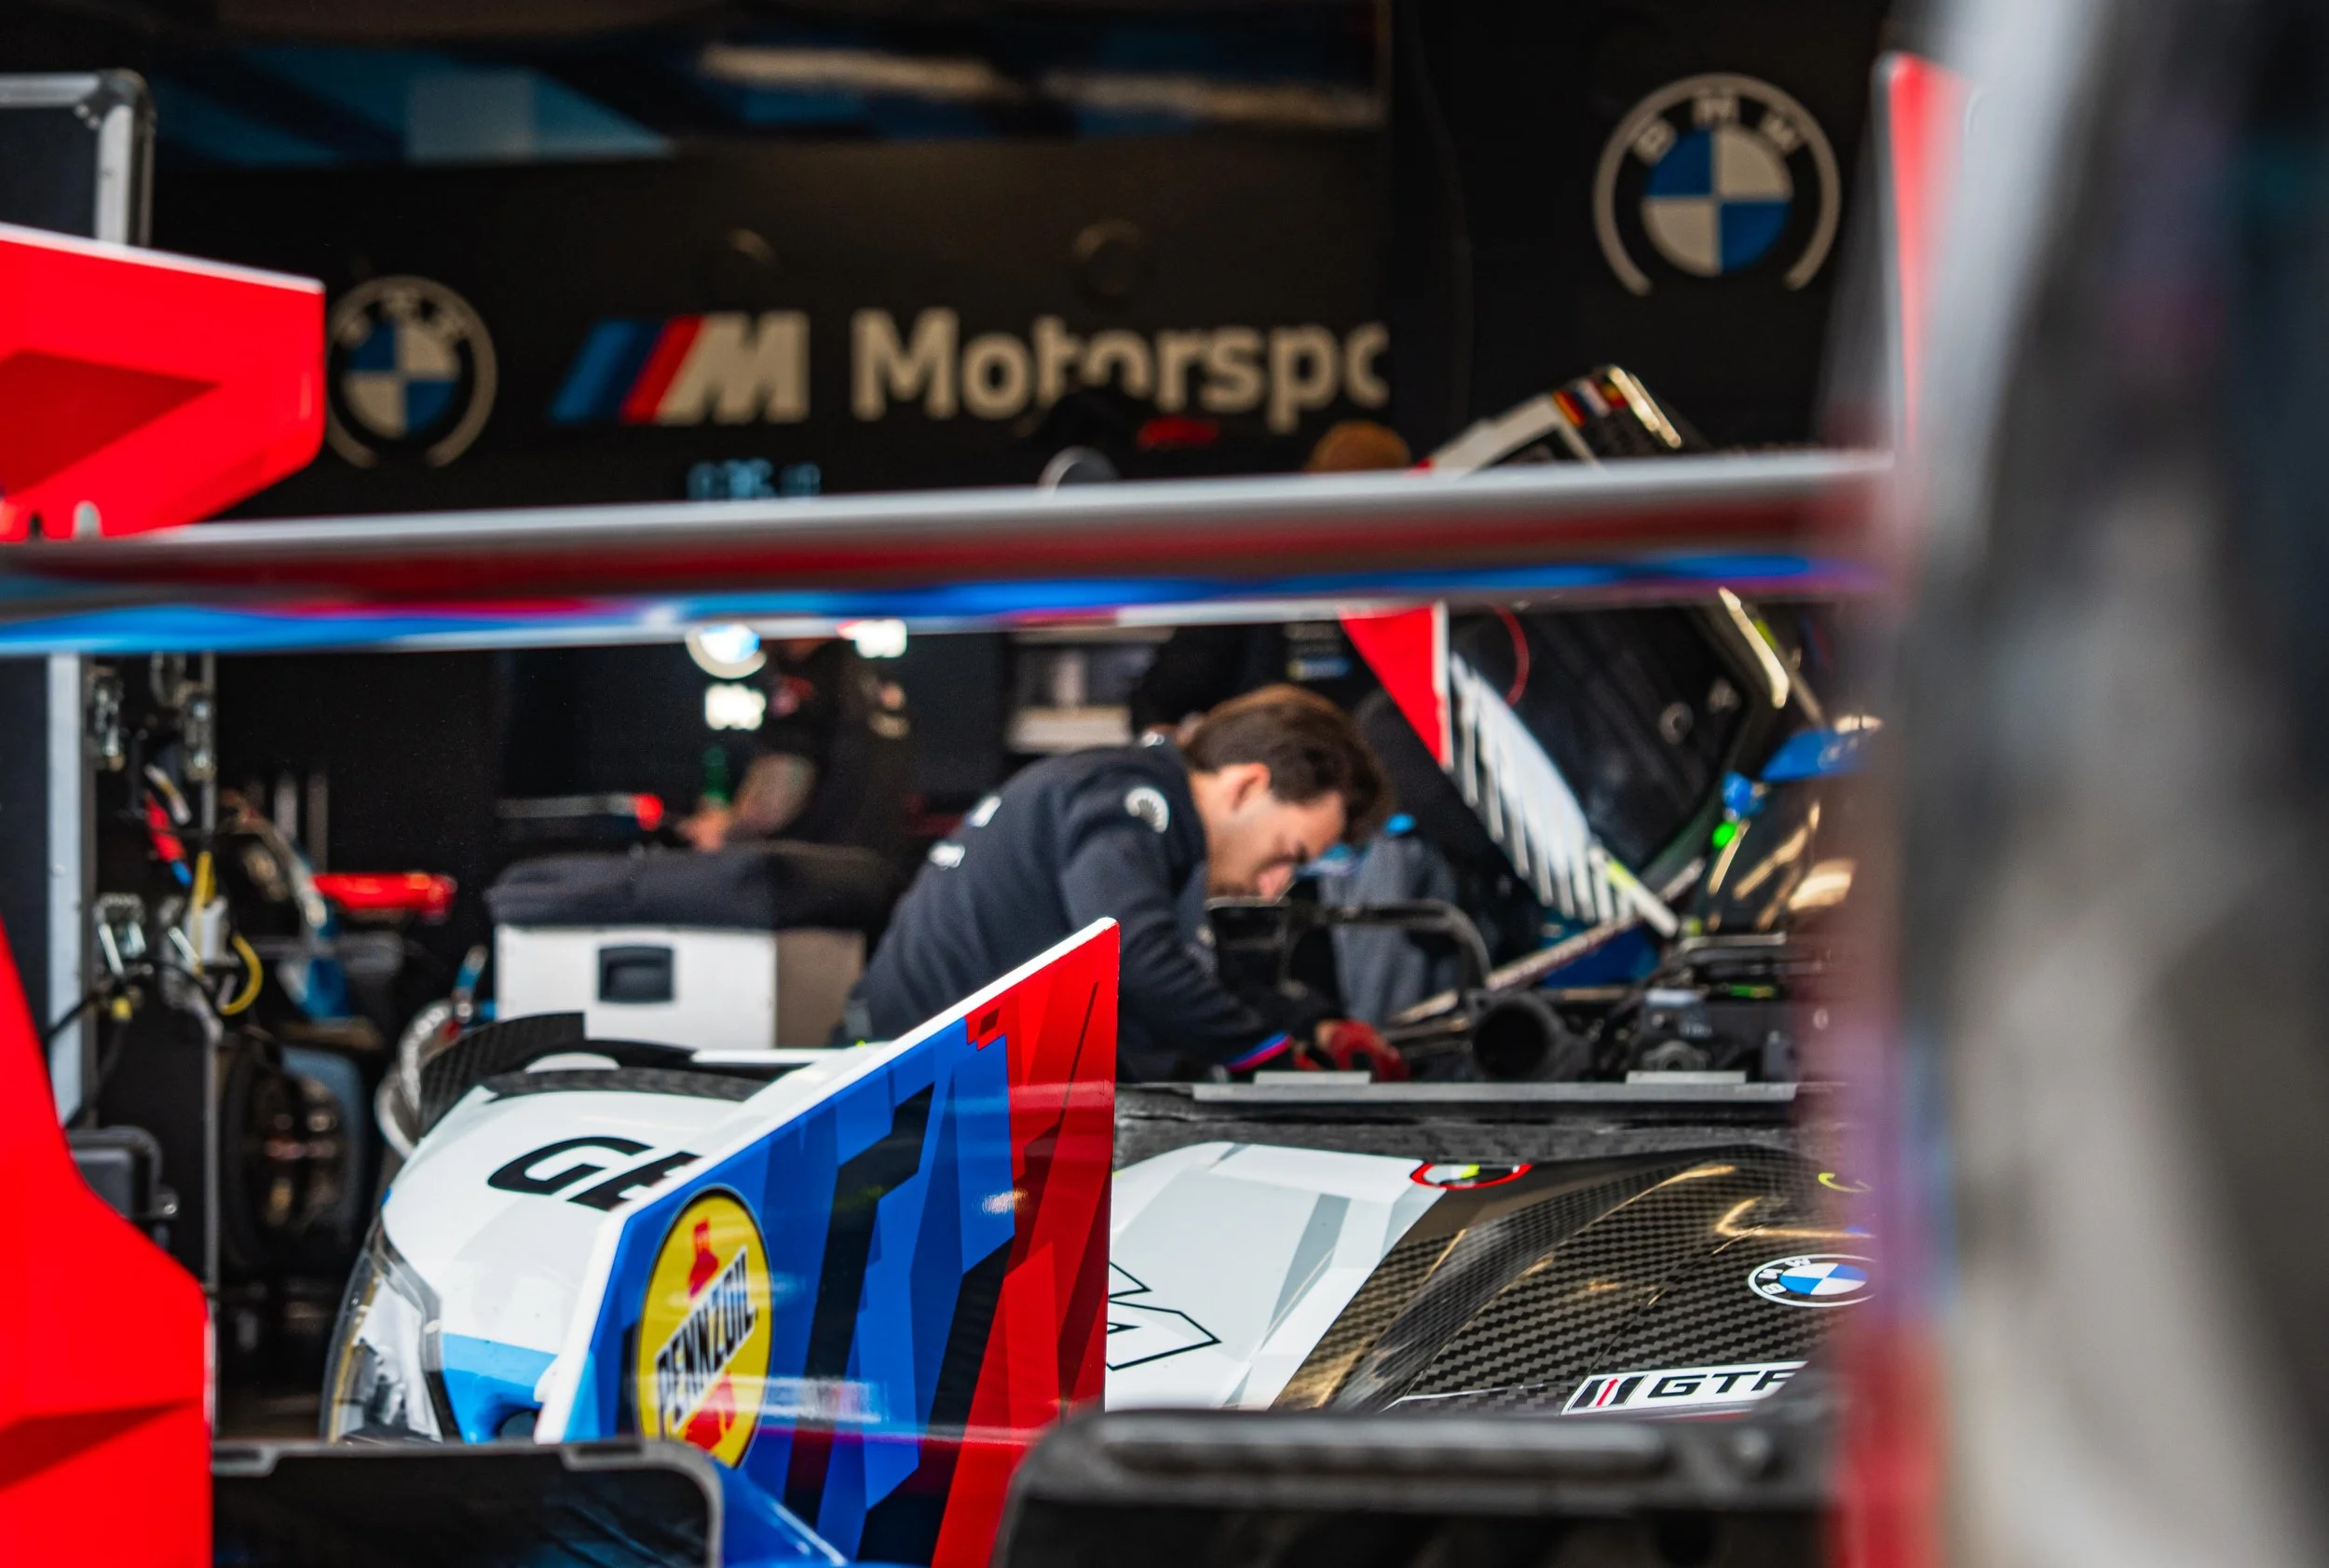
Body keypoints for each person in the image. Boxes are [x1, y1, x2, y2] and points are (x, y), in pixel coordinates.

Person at [841, 685, 1401, 1081]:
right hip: (899, 1094)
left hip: (943, 1084)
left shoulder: (1142, 808)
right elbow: (1134, 957)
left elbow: (1192, 972)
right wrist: (1274, 1060)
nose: (1274, 886)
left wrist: (1313, 1026)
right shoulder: (1126, 799)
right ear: (1247, 786)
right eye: (1287, 854)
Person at [682, 638, 915, 873]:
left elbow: (770, 805)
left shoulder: (806, 681)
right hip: (878, 875)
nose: (758, 640)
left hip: (813, 880)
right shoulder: (871, 674)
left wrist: (721, 829)